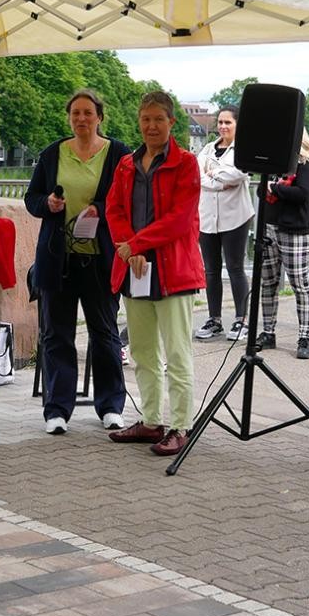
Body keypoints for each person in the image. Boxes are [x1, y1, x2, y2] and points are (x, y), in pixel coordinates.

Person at [24, 89, 132, 435]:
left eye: (88, 113)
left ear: (100, 117)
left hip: (100, 259)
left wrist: (101, 206)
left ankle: (111, 406)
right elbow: (32, 198)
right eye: (76, 114)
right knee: (57, 335)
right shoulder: (52, 153)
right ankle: (57, 410)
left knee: (105, 334)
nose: (81, 119)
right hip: (59, 259)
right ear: (69, 118)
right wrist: (49, 205)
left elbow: (128, 197)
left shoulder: (117, 153)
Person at [105, 91, 205, 457]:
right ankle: (150, 421)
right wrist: (126, 245)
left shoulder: (187, 164)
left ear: (171, 122)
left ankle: (181, 425)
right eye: (145, 119)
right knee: (143, 352)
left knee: (178, 354)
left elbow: (179, 219)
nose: (151, 126)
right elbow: (113, 208)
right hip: (134, 268)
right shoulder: (127, 165)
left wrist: (138, 245)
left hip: (172, 271)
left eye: (158, 119)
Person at [255, 130, 309, 359]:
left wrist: (276, 188)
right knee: (268, 283)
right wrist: (272, 188)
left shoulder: (307, 163)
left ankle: (304, 336)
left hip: (295, 230)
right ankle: (268, 332)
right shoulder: (274, 162)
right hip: (269, 226)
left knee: (299, 284)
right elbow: (260, 189)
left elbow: (303, 193)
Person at [194, 105, 255, 342]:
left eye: (228, 122)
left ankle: (242, 320)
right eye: (220, 122)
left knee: (235, 268)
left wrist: (212, 175)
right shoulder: (208, 149)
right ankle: (214, 319)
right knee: (210, 270)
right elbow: (196, 175)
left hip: (235, 217)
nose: (223, 126)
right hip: (207, 217)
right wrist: (218, 179)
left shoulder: (244, 150)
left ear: (238, 125)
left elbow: (238, 174)